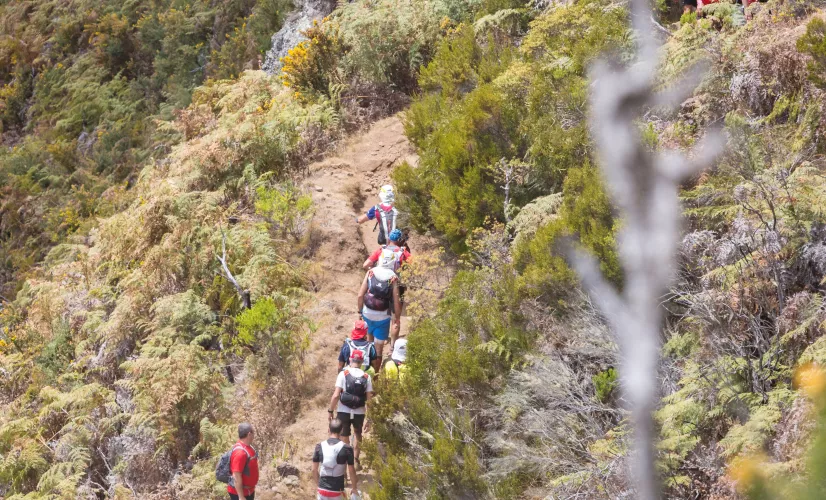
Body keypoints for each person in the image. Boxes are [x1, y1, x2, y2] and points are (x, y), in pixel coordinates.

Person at [328, 349, 374, 467]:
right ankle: (356, 459)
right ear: (362, 361)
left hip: (344, 411)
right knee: (358, 434)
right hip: (359, 412)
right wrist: (370, 418)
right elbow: (369, 399)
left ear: (350, 359)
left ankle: (344, 463)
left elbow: (336, 395)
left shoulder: (343, 374)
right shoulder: (366, 376)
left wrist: (330, 410)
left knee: (344, 436)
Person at [357, 253, 402, 365]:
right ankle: (375, 377)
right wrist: (397, 317)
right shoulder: (393, 278)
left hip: (367, 313)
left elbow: (360, 295)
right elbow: (396, 301)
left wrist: (360, 311)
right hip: (383, 318)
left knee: (369, 344)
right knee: (378, 350)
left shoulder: (371, 272)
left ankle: (366, 370)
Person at [312, 418, 359, 500]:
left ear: (328, 430)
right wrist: (354, 488)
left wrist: (318, 486)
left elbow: (314, 470)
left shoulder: (319, 446)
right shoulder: (347, 448)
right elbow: (351, 471)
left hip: (322, 491)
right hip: (337, 491)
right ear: (342, 431)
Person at [227, 422, 259, 500]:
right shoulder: (240, 453)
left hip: (249, 491)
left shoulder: (249, 447)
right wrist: (241, 497)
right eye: (253, 432)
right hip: (240, 493)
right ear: (249, 434)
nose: (254, 435)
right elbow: (236, 476)